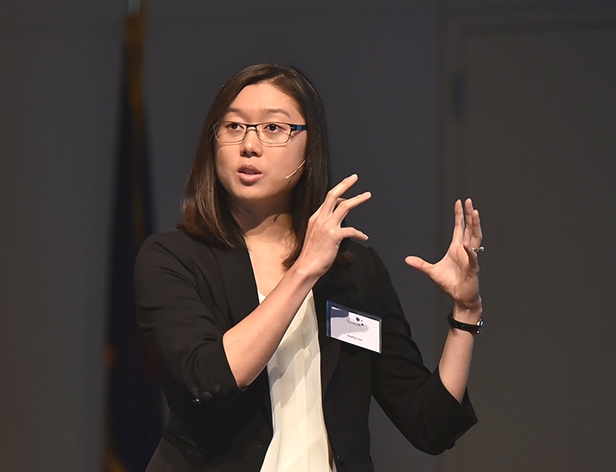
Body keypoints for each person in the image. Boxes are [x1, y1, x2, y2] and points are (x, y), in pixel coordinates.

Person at [134, 63, 483, 472]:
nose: (249, 145)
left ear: (309, 148)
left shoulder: (353, 272)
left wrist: (465, 315)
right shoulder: (173, 258)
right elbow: (209, 380)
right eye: (233, 127)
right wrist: (303, 271)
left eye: (273, 129)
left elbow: (430, 426)